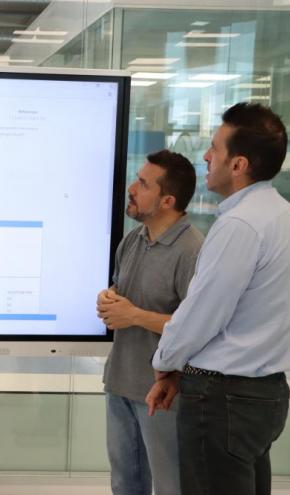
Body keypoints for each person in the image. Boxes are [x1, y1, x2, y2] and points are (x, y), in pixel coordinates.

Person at [147, 103, 290, 495]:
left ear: (238, 164)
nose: (206, 157)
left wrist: (165, 363)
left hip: (224, 400)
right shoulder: (281, 215)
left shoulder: (239, 225)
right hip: (266, 393)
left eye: (214, 149)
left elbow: (202, 314)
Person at [98, 149, 203, 495]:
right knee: (124, 485)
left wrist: (134, 315)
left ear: (167, 201)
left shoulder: (193, 251)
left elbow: (198, 327)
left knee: (170, 486)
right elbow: (122, 293)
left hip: (164, 394)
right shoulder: (133, 239)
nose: (131, 188)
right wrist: (109, 299)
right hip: (120, 382)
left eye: (143, 184)